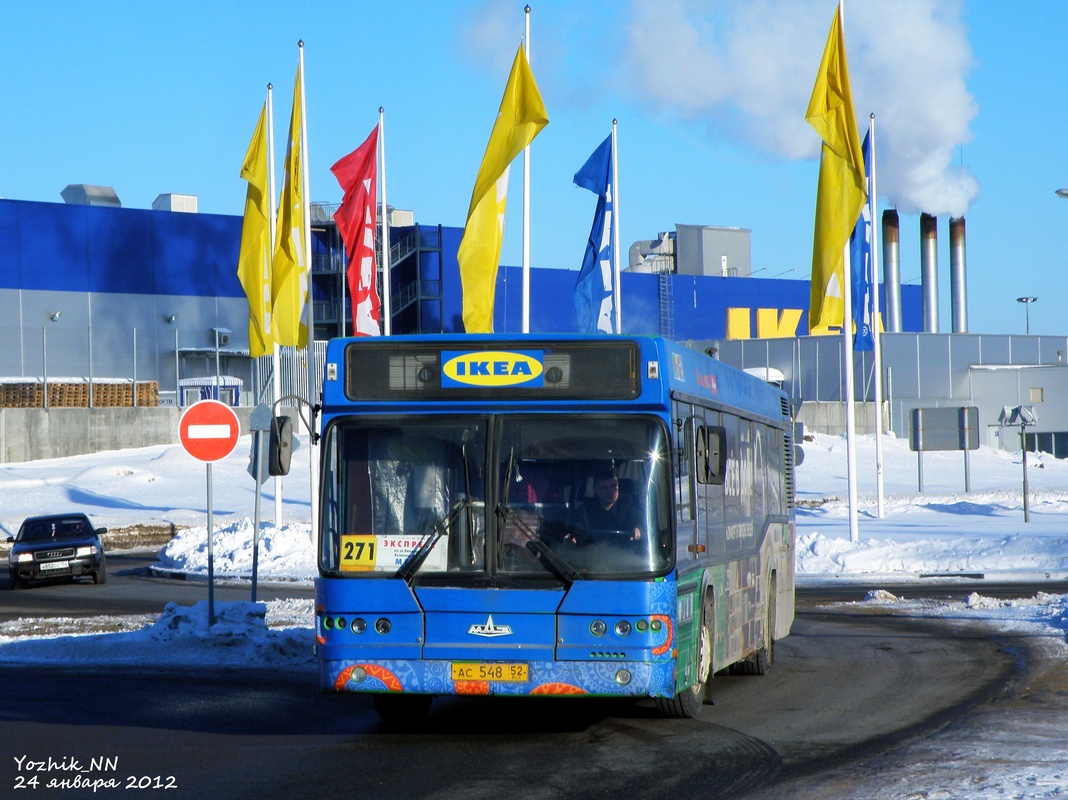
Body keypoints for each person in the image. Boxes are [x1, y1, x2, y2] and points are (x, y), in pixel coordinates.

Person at [577, 466, 642, 542]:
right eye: (604, 488)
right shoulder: (587, 508)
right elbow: (579, 529)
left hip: (625, 550)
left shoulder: (631, 503)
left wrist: (638, 530)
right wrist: (575, 537)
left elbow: (643, 523)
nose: (610, 492)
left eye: (613, 486)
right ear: (595, 490)